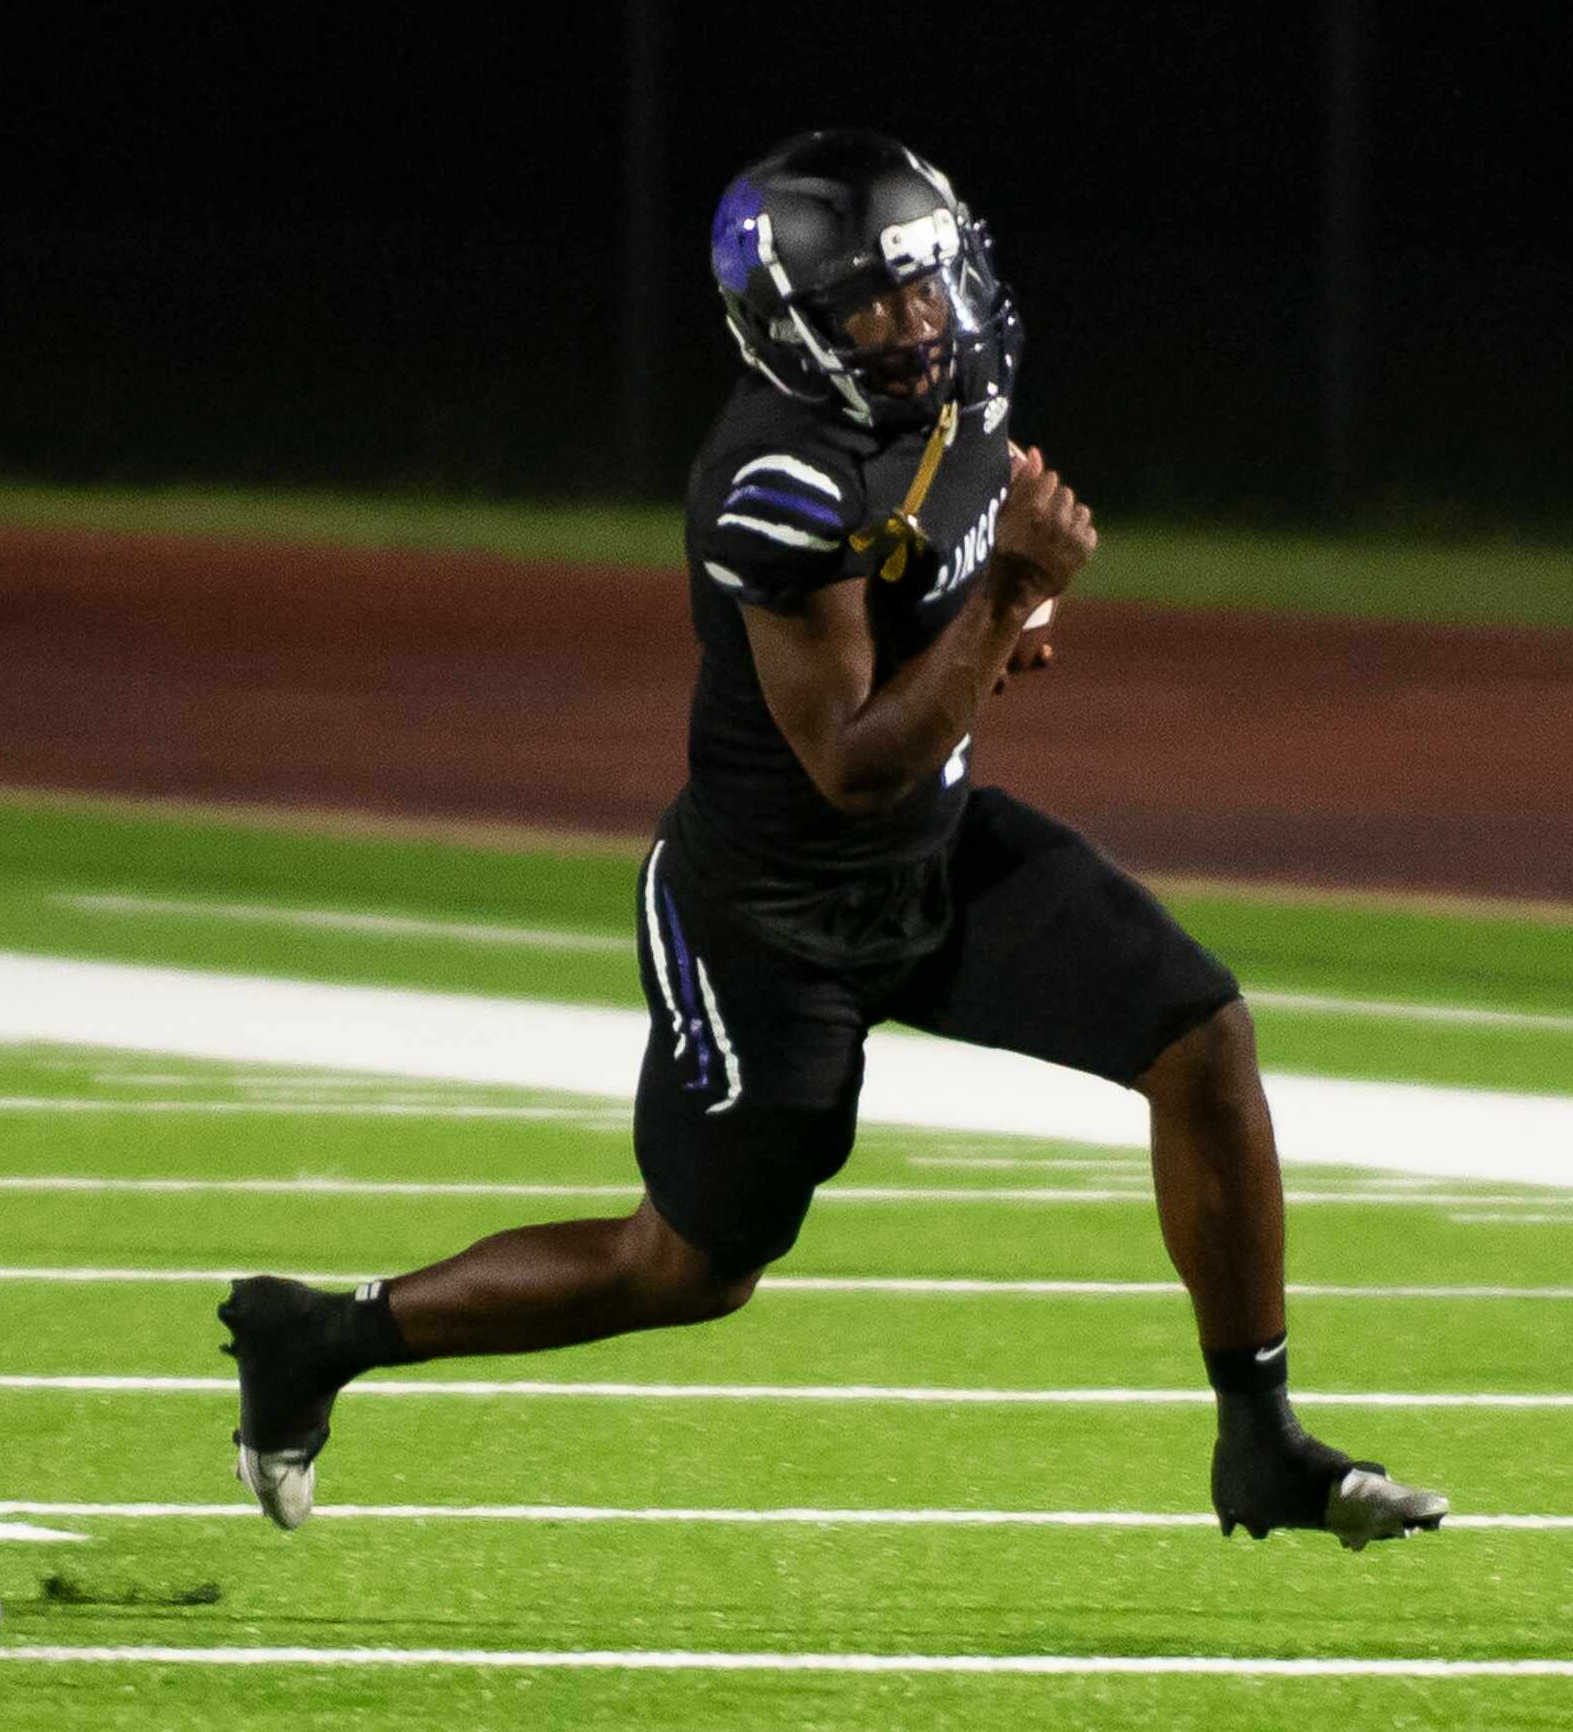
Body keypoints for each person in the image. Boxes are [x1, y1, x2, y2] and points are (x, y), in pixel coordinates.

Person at [217, 129, 1449, 1554]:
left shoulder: (972, 366)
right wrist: (1004, 609)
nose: (918, 323)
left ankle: (1262, 1441)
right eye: (874, 301)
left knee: (1201, 1035)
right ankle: (321, 1336)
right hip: (770, 912)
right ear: (796, 327)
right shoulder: (778, 475)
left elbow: (935, 591)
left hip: (932, 856)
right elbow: (853, 764)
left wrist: (991, 621)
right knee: (687, 1267)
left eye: (926, 284)